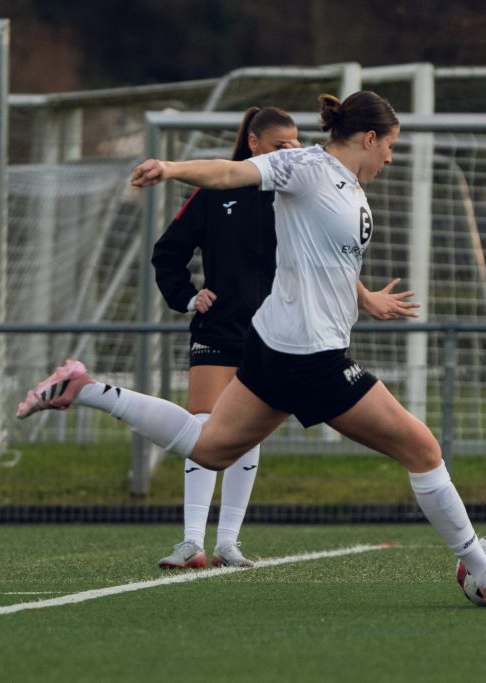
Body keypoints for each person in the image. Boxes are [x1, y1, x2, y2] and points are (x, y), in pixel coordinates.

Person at [17, 91, 486, 607]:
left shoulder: (350, 186)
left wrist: (365, 298)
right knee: (422, 449)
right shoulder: (305, 166)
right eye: (390, 146)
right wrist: (172, 168)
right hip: (311, 356)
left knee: (209, 448)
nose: (390, 158)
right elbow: (229, 172)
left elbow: (326, 258)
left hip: (276, 345)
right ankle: (484, 569)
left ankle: (84, 388)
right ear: (369, 137)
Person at [150, 106, 297, 570]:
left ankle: (228, 543)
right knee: (204, 426)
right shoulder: (214, 191)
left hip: (272, 330)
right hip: (218, 328)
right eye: (281, 146)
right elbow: (167, 252)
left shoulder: (295, 193)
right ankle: (192, 541)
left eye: (296, 145)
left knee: (247, 432)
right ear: (254, 143)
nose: (290, 153)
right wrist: (188, 297)